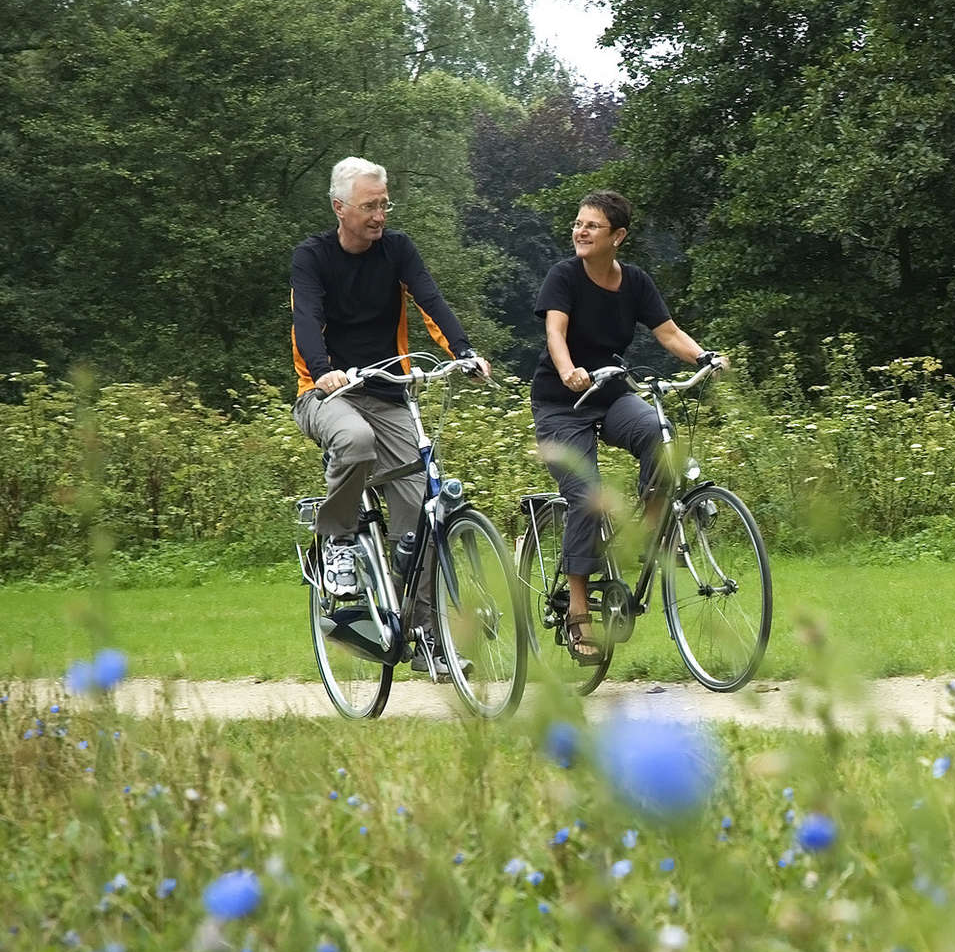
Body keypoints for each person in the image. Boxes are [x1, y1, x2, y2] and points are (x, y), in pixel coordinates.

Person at [291, 156, 490, 676]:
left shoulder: (398, 250)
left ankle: (426, 640)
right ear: (340, 208)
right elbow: (306, 319)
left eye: (384, 204)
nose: (380, 215)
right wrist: (322, 371)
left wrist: (462, 351)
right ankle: (336, 536)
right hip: (326, 395)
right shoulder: (311, 257)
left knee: (420, 515)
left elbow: (431, 301)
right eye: (369, 206)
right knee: (354, 442)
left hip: (390, 393)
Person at [531, 190, 728, 660]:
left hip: (612, 392)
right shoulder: (564, 276)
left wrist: (705, 357)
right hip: (562, 402)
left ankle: (648, 535)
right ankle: (578, 611)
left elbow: (668, 332)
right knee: (588, 495)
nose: (580, 231)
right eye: (578, 224)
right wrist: (567, 371)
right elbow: (555, 333)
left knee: (662, 437)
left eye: (592, 226)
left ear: (617, 236)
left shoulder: (635, 282)